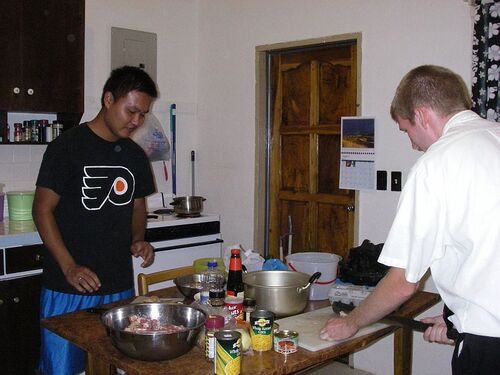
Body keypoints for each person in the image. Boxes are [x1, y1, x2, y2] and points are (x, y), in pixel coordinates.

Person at [319, 65, 500, 374]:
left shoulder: (437, 164)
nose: (412, 144)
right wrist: (458, 316)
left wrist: (352, 321)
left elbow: (404, 284)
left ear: (422, 116)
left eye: (407, 130)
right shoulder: (493, 137)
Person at [33, 66, 158, 375]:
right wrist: (69, 266)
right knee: (62, 369)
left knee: (111, 365)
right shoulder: (66, 147)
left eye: (143, 114)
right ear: (107, 99)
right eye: (131, 111)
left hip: (117, 285)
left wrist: (138, 238)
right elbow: (42, 210)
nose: (137, 121)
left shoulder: (134, 155)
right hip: (68, 288)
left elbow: (137, 205)